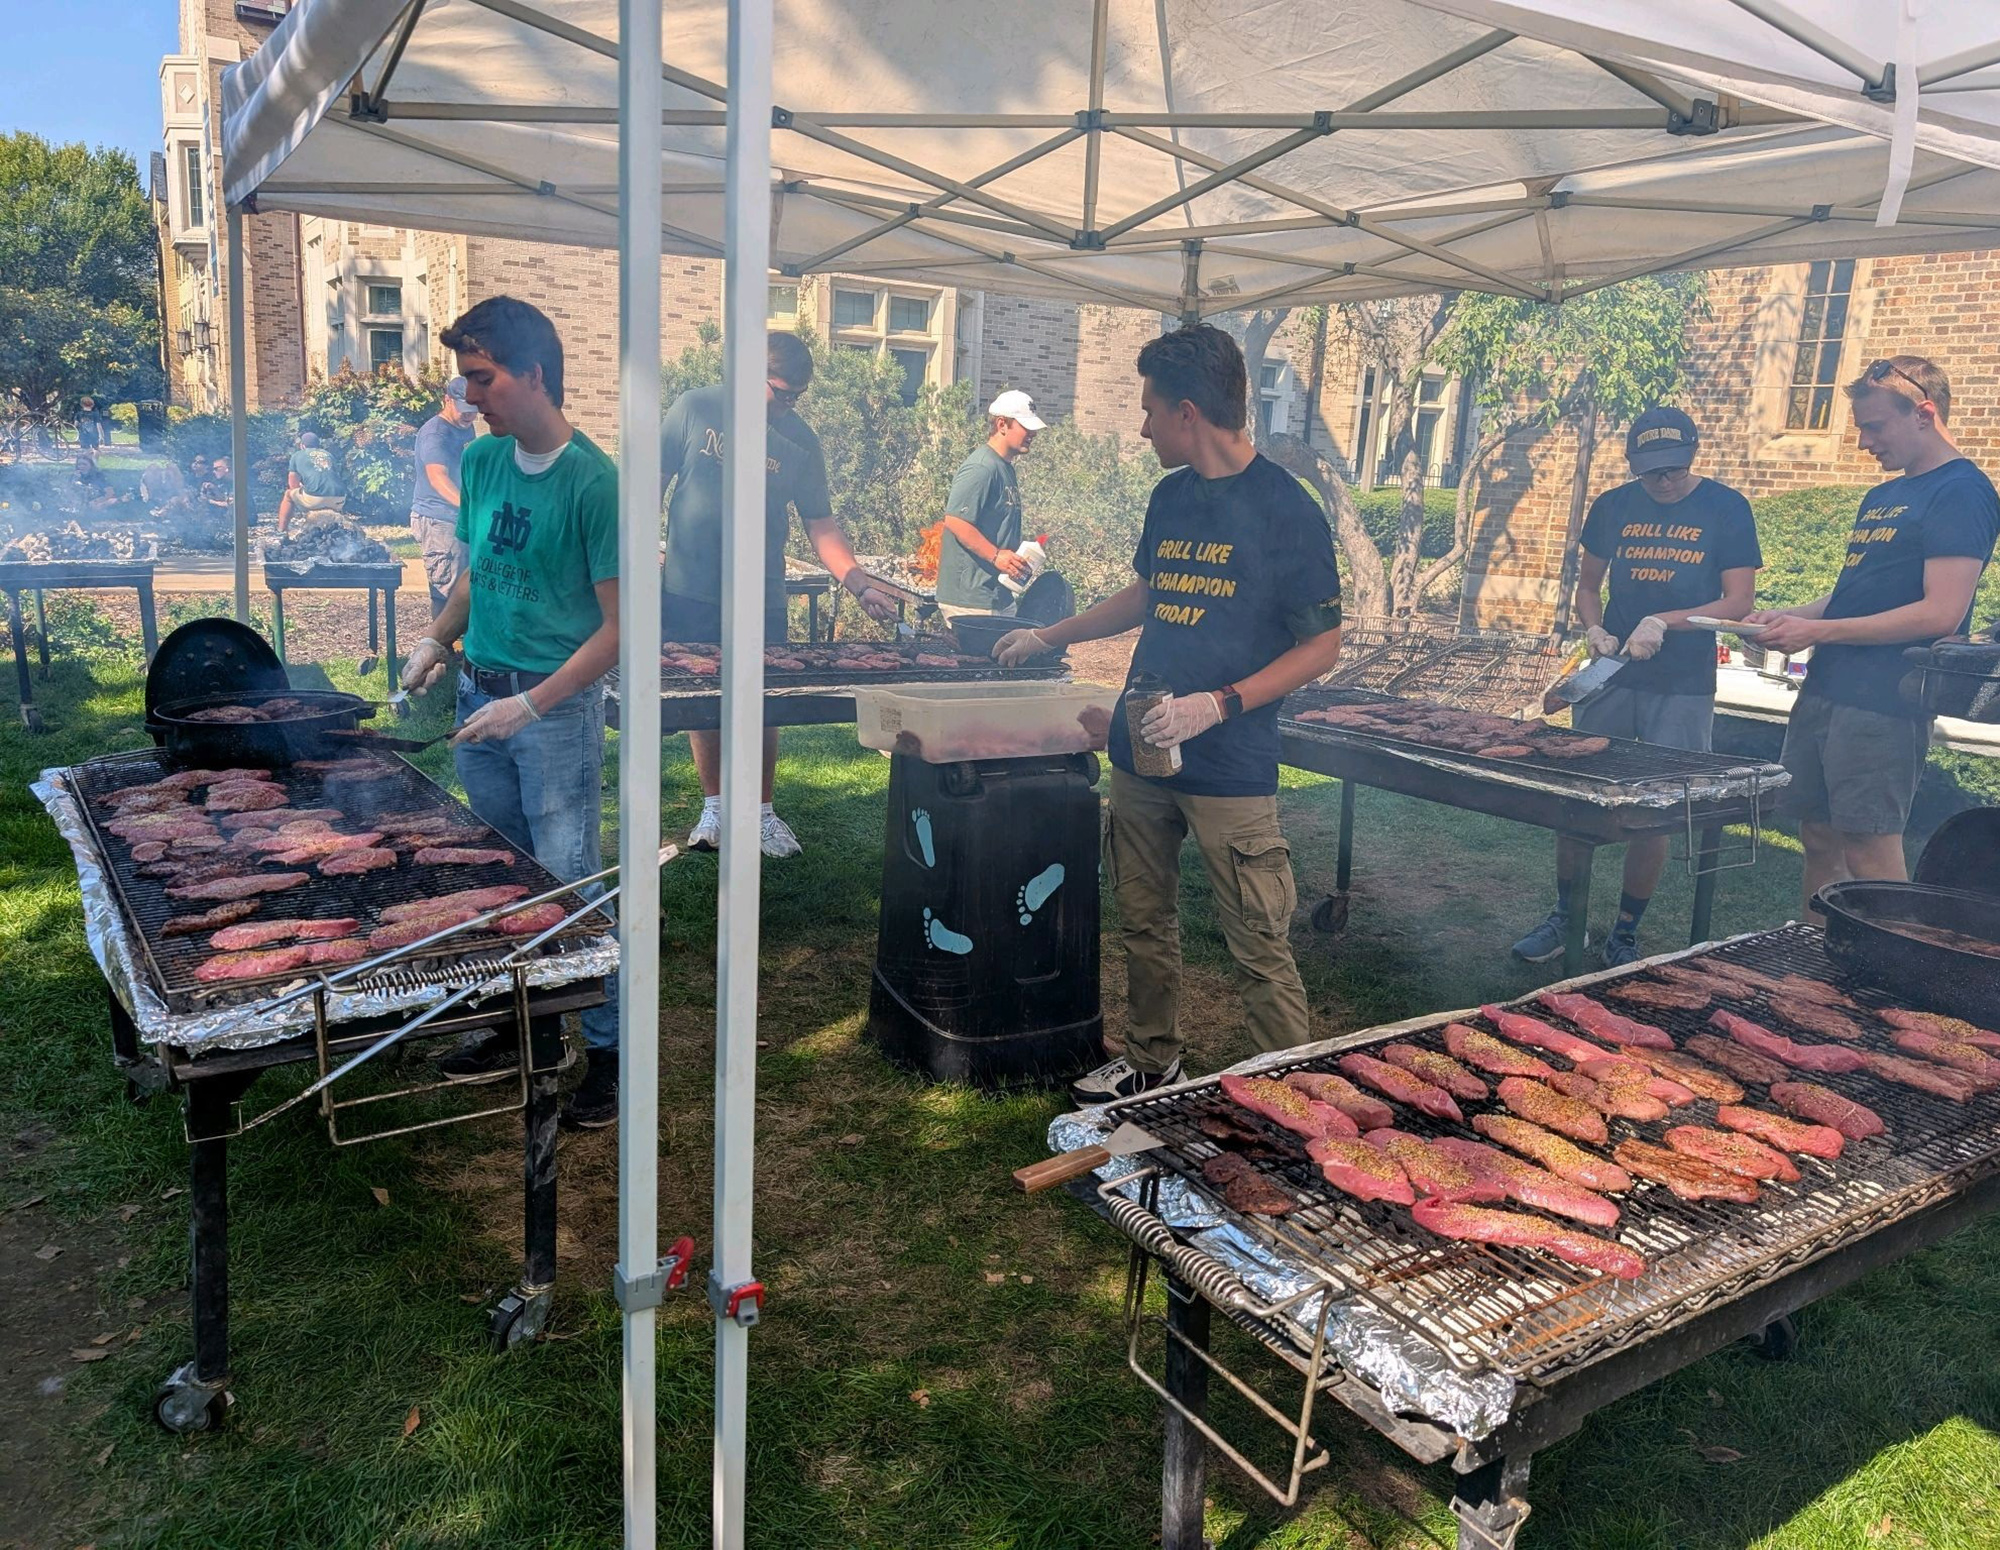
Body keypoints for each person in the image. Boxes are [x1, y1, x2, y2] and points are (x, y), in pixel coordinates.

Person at [994, 324, 1344, 1105]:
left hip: (1230, 765)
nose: (1143, 426)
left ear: (1189, 412)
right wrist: (1049, 635)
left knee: (1257, 940)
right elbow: (1149, 593)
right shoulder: (1171, 496)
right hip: (1143, 749)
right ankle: (1153, 1061)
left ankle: (1291, 1098)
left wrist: (1217, 705)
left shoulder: (1286, 509)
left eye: (1151, 409)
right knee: (1144, 922)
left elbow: (1322, 645)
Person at [398, 296, 624, 1128]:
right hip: (476, 697)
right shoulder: (486, 461)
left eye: (482, 378)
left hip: (552, 714)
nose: (469, 396)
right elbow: (476, 573)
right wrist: (437, 638)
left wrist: (529, 705)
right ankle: (516, 1025)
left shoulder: (596, 482)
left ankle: (606, 1055)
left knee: (569, 881)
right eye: (465, 379)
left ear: (533, 373)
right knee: (500, 874)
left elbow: (622, 629)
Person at [1748, 355, 1999, 918]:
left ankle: (1893, 963)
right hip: (1827, 688)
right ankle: (1816, 952)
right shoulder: (1882, 497)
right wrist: (1787, 617)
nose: (1864, 442)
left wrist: (1818, 631)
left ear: (1924, 414)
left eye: (1875, 426)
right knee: (1818, 835)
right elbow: (1853, 595)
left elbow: (1942, 613)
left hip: (1887, 700)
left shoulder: (1962, 491)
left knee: (1868, 844)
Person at [1512, 407, 1762, 967]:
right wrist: (1594, 629)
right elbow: (1588, 588)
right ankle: (1566, 916)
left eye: (1673, 469)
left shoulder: (1726, 508)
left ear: (1692, 456)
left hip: (1682, 683)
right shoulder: (1613, 506)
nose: (1663, 481)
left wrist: (1663, 622)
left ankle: (1625, 930)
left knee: (1657, 805)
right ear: (1633, 465)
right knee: (1579, 795)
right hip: (1612, 673)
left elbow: (1738, 602)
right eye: (1651, 472)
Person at [660, 331, 899, 856]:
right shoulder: (695, 408)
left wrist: (858, 582)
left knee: (764, 701)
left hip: (761, 593)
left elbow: (820, 523)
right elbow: (650, 486)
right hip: (688, 588)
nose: (790, 405)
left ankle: (763, 812)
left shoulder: (800, 440)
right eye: (783, 393)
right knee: (703, 699)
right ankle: (715, 807)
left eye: (798, 396)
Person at [935, 389, 1043, 621]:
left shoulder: (1004, 467)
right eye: (1026, 426)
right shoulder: (981, 467)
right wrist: (996, 556)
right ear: (1002, 424)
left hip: (997, 596)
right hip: (971, 601)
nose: (1033, 433)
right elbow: (955, 521)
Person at [410, 375, 480, 611]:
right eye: (464, 409)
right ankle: (440, 635)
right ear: (447, 400)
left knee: (465, 587)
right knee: (446, 591)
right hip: (437, 519)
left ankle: (462, 634)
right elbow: (438, 478)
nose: (469, 415)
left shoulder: (466, 427)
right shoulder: (436, 434)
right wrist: (471, 507)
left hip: (458, 517)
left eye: (473, 409)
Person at [277, 430, 347, 531]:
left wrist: (302, 492)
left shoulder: (297, 455)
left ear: (302, 445)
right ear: (318, 445)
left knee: (288, 494)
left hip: (315, 499)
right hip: (340, 498)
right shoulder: (328, 455)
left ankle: (282, 529)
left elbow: (293, 484)